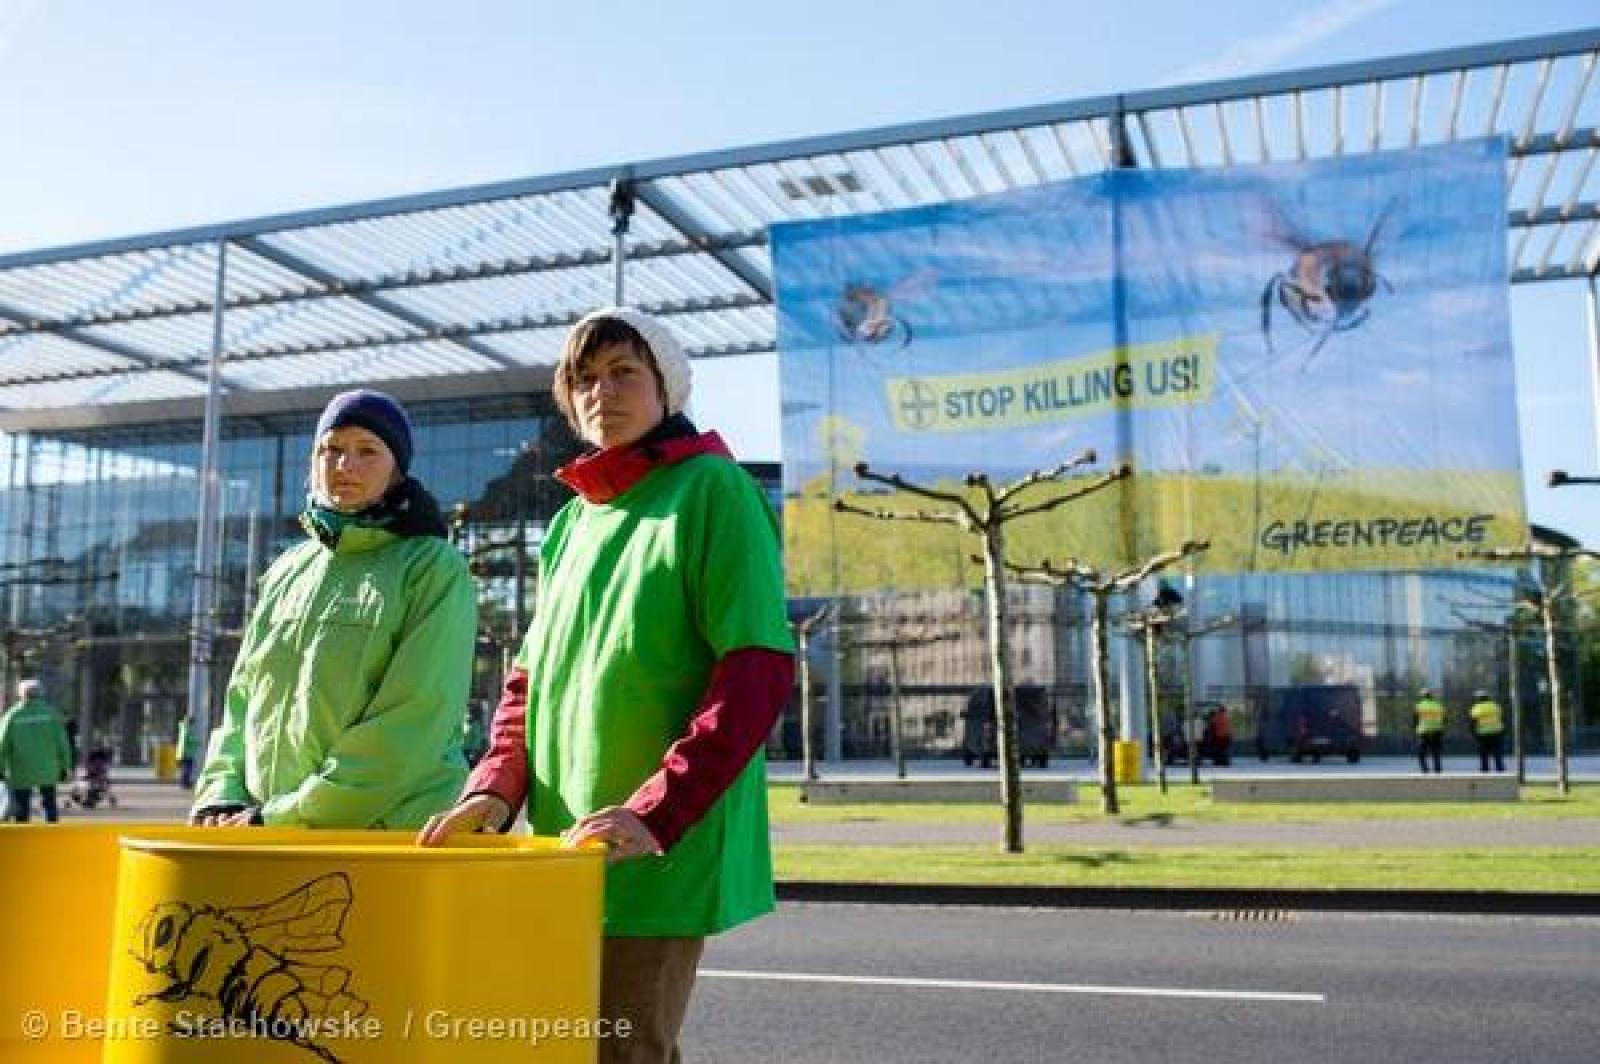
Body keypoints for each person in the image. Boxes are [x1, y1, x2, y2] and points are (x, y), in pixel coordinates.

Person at [418, 307, 795, 1064]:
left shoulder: (715, 490)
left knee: (622, 1050)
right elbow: (528, 680)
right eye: (583, 380)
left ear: (667, 387)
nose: (601, 393)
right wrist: (494, 789)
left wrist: (659, 810)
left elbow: (756, 669)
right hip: (565, 838)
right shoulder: (571, 523)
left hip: (656, 840)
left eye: (624, 372)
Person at [190, 389, 477, 828]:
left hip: (385, 834)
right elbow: (243, 697)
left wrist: (290, 814)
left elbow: (414, 718)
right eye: (332, 449)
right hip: (270, 830)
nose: (344, 465)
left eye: (367, 451)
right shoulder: (288, 569)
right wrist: (220, 794)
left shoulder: (432, 567)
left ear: (397, 470)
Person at [0, 679, 73, 823]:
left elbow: (2, 744)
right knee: (49, 803)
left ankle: (24, 838)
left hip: (20, 770)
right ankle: (50, 836)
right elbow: (62, 743)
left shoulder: (12, 715)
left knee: (21, 806)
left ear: (20, 694)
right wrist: (66, 766)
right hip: (47, 769)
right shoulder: (51, 714)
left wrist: (1, 768)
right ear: (40, 693)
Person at [1469, 688, 1506, 773]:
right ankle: (1500, 772)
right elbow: (1501, 719)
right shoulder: (1496, 706)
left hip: (1483, 735)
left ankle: (1485, 773)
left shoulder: (1476, 708)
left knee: (1484, 756)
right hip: (1496, 733)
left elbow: (1473, 723)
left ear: (1478, 698)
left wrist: (1474, 734)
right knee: (1498, 755)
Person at [1413, 687, 1445, 774]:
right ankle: (1438, 771)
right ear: (1431, 696)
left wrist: (1415, 729)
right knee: (1436, 752)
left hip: (1423, 731)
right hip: (1437, 730)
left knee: (1421, 753)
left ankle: (1425, 771)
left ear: (1422, 696)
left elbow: (1415, 719)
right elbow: (1444, 719)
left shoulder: (1419, 706)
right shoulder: (1438, 705)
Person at [174, 712, 202, 790]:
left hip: (185, 752)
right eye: (192, 722)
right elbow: (188, 741)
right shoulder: (187, 730)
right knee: (187, 768)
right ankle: (185, 783)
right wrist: (197, 742)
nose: (193, 725)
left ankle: (185, 782)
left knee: (186, 768)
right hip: (187, 753)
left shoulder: (184, 729)